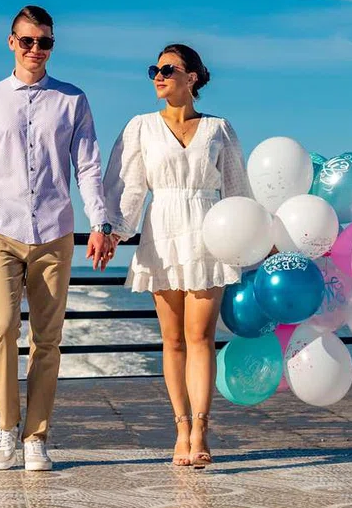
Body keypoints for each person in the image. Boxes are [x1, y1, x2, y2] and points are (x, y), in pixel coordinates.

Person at [0, 5, 114, 472]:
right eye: (27, 41)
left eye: (45, 42)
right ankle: (6, 427)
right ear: (11, 42)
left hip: (55, 232)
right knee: (1, 328)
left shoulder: (73, 100)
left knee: (47, 338)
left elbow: (87, 168)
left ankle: (36, 435)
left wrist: (99, 223)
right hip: (0, 231)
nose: (36, 50)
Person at [101, 44, 249, 468]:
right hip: (162, 230)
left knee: (201, 337)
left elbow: (237, 189)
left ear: (194, 78)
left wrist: (254, 240)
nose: (159, 76)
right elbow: (127, 186)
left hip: (208, 230)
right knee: (172, 340)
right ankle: (180, 428)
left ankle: (201, 430)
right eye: (155, 69)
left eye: (169, 69)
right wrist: (115, 231)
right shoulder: (141, 127)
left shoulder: (219, 128)